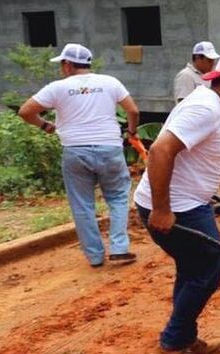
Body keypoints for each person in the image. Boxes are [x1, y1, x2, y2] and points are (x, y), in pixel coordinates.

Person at [134, 50, 220, 354]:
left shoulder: (213, 104)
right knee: (209, 267)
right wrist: (162, 208)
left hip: (189, 201)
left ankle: (184, 338)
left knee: (193, 268)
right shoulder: (205, 108)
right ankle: (171, 348)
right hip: (176, 205)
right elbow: (161, 150)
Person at [19, 43, 139, 268]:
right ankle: (119, 248)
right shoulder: (110, 82)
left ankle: (95, 257)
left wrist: (45, 126)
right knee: (118, 198)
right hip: (109, 148)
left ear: (67, 65)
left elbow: (25, 111)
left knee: (82, 205)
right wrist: (131, 132)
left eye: (62, 64)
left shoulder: (57, 88)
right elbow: (133, 110)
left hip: (75, 150)